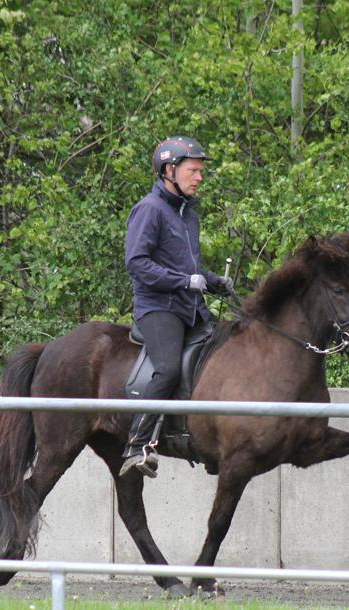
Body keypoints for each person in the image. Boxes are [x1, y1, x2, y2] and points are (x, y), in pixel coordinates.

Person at [119, 135, 235, 478]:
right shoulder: (149, 210)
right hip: (158, 308)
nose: (199, 177)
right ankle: (137, 445)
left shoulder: (188, 214)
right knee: (168, 368)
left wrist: (214, 282)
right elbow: (137, 263)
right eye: (193, 170)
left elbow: (191, 269)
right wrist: (184, 282)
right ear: (169, 170)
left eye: (201, 171)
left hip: (191, 308)